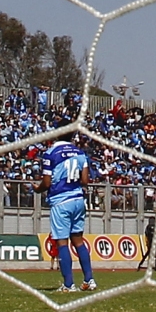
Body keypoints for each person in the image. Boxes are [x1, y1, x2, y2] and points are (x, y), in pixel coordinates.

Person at [33, 124, 97, 292]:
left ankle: (69, 284)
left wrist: (36, 189)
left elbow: (46, 183)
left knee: (62, 242)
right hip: (78, 200)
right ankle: (89, 280)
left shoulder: (51, 153)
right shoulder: (79, 153)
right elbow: (84, 181)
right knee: (78, 241)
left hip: (61, 200)